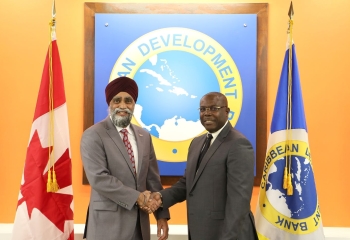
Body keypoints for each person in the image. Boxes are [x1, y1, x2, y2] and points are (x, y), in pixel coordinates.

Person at [149, 92, 258, 240]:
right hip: (201, 232)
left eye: (213, 108)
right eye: (203, 109)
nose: (207, 113)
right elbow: (188, 184)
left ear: (227, 112)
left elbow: (239, 203)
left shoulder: (238, 144)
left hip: (228, 235)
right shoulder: (196, 143)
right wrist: (161, 197)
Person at [81, 76, 169, 240]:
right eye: (117, 100)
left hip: (139, 227)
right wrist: (138, 197)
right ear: (109, 103)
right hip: (107, 227)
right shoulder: (93, 135)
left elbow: (152, 179)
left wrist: (161, 215)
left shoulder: (144, 136)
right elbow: (99, 178)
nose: (123, 106)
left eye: (128, 101)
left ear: (134, 104)